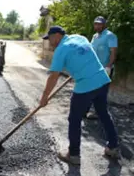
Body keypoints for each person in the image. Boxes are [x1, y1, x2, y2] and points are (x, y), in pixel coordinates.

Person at [39, 26, 120, 165]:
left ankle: (74, 154)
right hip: (102, 79)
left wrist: (44, 97)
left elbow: (53, 76)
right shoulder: (80, 37)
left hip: (86, 85)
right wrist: (77, 67)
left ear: (57, 35)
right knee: (103, 113)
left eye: (50, 38)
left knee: (74, 119)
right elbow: (85, 55)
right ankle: (113, 147)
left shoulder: (61, 49)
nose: (50, 41)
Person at [85, 16, 118, 119]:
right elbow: (91, 51)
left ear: (104, 25)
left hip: (104, 69)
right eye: (96, 24)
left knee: (101, 92)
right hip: (93, 68)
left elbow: (113, 52)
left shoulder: (110, 36)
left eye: (100, 24)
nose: (97, 26)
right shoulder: (95, 36)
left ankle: (99, 113)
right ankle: (85, 110)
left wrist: (108, 67)